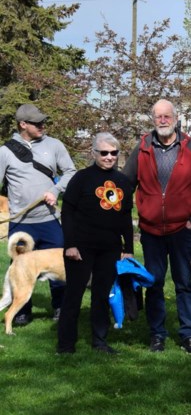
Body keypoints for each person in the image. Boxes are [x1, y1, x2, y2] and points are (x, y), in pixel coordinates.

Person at [122, 99, 191, 354]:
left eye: (167, 116)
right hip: (151, 232)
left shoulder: (190, 147)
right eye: (158, 116)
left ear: (175, 118)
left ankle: (188, 335)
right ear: (153, 119)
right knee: (155, 283)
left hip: (181, 230)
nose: (162, 120)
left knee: (183, 282)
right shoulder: (142, 149)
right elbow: (125, 185)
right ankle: (157, 334)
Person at [56, 132, 134, 355]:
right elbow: (67, 212)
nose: (109, 157)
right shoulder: (81, 178)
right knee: (74, 295)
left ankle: (100, 341)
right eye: (104, 153)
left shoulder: (123, 182)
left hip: (109, 248)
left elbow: (126, 217)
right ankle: (65, 345)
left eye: (114, 153)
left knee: (101, 295)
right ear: (94, 153)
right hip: (80, 247)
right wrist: (69, 245)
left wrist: (127, 248)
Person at [0, 103, 77, 326]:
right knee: (21, 267)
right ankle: (22, 311)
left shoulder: (54, 145)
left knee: (61, 265)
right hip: (21, 222)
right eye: (37, 122)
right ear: (23, 124)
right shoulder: (5, 151)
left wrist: (55, 190)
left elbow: (70, 172)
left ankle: (60, 308)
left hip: (50, 220)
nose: (43, 125)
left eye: (43, 121)